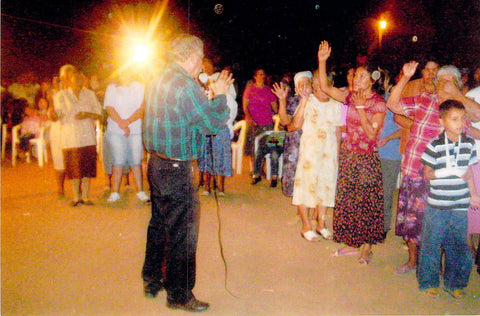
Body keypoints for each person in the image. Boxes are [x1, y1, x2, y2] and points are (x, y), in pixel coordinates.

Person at [141, 34, 233, 312]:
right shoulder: (185, 85)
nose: (201, 65)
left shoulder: (158, 78)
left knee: (159, 224)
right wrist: (219, 96)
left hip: (156, 164)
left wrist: (204, 96)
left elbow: (181, 116)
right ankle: (179, 294)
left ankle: (152, 278)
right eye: (200, 59)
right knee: (183, 232)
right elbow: (212, 124)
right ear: (193, 56)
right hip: (178, 168)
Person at [386, 62, 480, 274]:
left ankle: (434, 265)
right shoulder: (423, 100)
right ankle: (412, 261)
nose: (443, 86)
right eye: (441, 81)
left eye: (450, 82)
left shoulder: (459, 109)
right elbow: (393, 104)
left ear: (457, 85)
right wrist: (405, 77)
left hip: (442, 179)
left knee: (438, 225)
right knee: (411, 221)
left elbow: (477, 117)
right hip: (413, 170)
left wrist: (456, 94)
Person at [318, 41, 387, 264]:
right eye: (356, 76)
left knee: (366, 201)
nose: (356, 80)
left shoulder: (378, 103)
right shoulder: (350, 96)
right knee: (349, 200)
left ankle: (366, 247)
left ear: (372, 80)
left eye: (362, 77)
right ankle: (354, 242)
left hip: (366, 159)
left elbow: (371, 135)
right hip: (349, 156)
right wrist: (322, 61)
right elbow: (326, 88)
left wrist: (359, 108)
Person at [418, 99, 480, 298]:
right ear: (442, 121)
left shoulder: (469, 143)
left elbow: (469, 170)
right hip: (437, 206)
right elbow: (428, 173)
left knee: (458, 246)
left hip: (460, 205)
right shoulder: (434, 144)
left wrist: (474, 194)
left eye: (463, 119)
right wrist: (449, 171)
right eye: (454, 119)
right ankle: (429, 282)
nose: (460, 123)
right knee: (431, 244)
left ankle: (455, 284)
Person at [290, 70, 342, 241]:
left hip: (329, 152)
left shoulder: (335, 103)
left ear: (329, 82)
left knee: (326, 187)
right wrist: (304, 100)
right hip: (310, 153)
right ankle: (306, 225)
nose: (318, 83)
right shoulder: (308, 100)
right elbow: (296, 124)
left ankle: (321, 224)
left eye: (322, 80)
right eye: (316, 80)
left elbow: (338, 130)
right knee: (306, 186)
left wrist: (338, 154)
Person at [54, 69, 103, 206]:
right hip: (71, 137)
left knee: (87, 167)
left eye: (81, 79)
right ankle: (76, 197)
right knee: (74, 168)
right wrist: (53, 111)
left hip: (87, 136)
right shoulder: (61, 95)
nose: (79, 82)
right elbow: (56, 114)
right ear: (69, 81)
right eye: (76, 80)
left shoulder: (89, 94)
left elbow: (99, 113)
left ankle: (86, 196)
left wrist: (87, 114)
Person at [104, 72, 149, 203]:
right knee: (118, 161)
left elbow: (141, 108)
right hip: (116, 129)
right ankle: (115, 192)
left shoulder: (139, 87)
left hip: (134, 129)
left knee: (136, 161)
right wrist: (122, 124)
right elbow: (109, 108)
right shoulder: (111, 88)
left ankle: (140, 191)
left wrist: (127, 122)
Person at [197, 57, 237, 196]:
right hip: (208, 130)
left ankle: (220, 187)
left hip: (222, 131)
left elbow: (229, 116)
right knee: (207, 157)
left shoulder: (229, 99)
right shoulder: (207, 96)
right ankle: (207, 187)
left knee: (221, 158)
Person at [273, 71, 312, 197]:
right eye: (300, 85)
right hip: (294, 143)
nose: (304, 87)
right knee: (292, 174)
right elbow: (285, 121)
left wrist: (291, 126)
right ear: (295, 89)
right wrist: (282, 100)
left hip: (311, 142)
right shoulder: (293, 101)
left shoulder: (316, 101)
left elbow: (293, 125)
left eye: (307, 84)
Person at [242, 68, 278, 161]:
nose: (262, 77)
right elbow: (245, 107)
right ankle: (256, 169)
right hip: (253, 123)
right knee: (254, 148)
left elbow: (275, 107)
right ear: (255, 77)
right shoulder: (250, 89)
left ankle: (263, 167)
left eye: (263, 74)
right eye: (260, 74)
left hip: (267, 122)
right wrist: (249, 118)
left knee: (268, 146)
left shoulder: (269, 90)